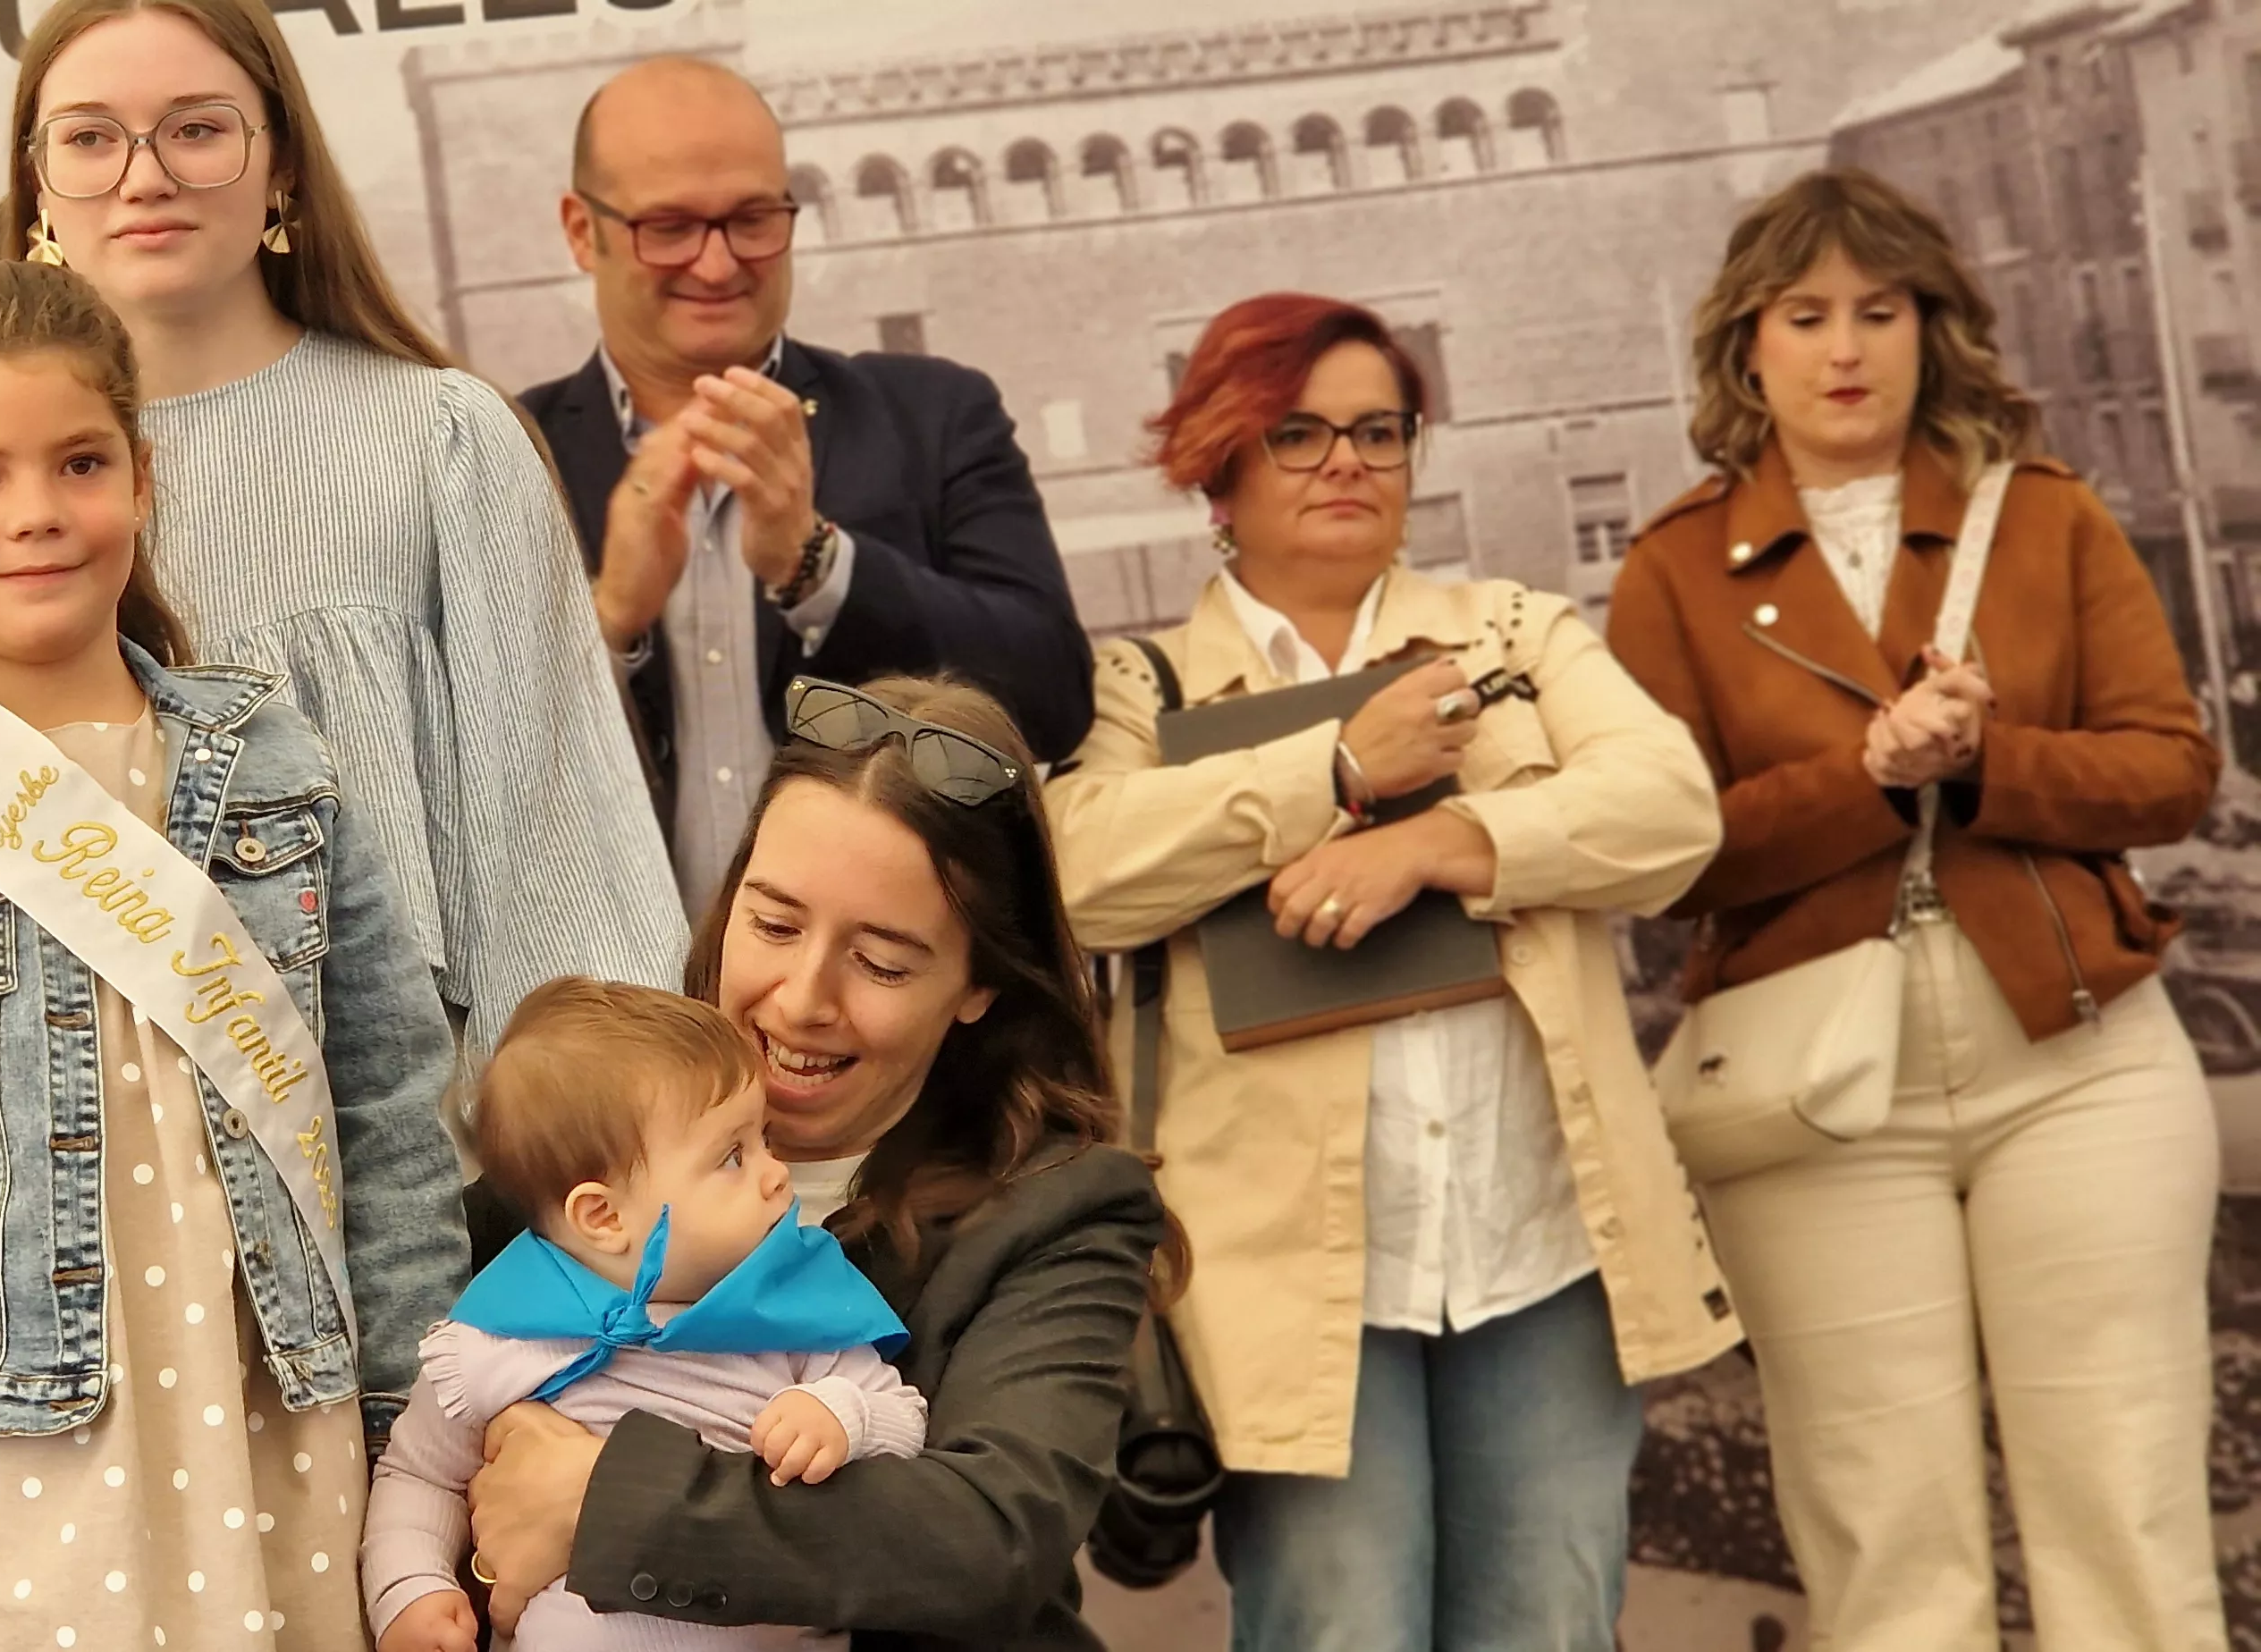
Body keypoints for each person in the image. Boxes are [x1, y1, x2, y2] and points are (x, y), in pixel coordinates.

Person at [0, 673, 1177, 1649]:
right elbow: (282, 1270)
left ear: (978, 992)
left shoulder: (1059, 1210)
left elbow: (986, 1536)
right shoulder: (584, 1152)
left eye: (885, 961)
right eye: (773, 923)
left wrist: (601, 1502)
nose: (801, 997)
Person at [0, 258, 468, 1652]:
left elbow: (392, 1127)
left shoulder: (279, 768)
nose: (37, 515)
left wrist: (421, 1453)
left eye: (79, 462)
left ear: (141, 476)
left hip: (283, 1425)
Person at [0, 0, 684, 1061]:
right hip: (51, 1190)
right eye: (88, 137)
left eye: (197, 128)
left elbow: (557, 854)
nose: (144, 175)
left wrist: (581, 1154)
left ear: (283, 166)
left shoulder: (440, 445)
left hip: (398, 1162)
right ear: (36, 184)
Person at [1047, 293, 1736, 1651]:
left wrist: (1443, 844)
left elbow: (1673, 811)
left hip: (1538, 1246)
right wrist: (1337, 772)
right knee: (1337, 1630)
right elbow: (1084, 873)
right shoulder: (1145, 685)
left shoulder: (1514, 635)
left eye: (1379, 429)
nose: (1347, 461)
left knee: (1550, 1625)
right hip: (1288, 1285)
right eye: (1297, 434)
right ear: (1218, 471)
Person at [1605, 168, 2226, 1651]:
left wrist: (1989, 764)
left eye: (1880, 311)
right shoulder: (1673, 567)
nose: (1844, 346)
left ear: (1933, 330)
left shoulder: (2053, 519)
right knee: (1889, 1539)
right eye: (1805, 313)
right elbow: (1657, 855)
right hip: (1813, 1099)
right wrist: (1870, 779)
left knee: (2127, 1510)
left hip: (2083, 1065)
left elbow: (2170, 768)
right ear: (1745, 343)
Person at [519, 56, 1089, 913]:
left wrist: (819, 568)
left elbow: (1050, 701)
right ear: (580, 229)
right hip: (617, 1021)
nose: (717, 266)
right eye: (669, 227)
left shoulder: (935, 415)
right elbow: (452, 791)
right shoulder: (498, 454)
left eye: (753, 220)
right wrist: (605, 627)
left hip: (882, 1006)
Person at [360, 976, 926, 1652]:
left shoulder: (797, 1306)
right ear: (602, 1216)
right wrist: (412, 1589)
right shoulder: (499, 1337)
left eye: (764, 1139)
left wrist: (842, 1413)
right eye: (733, 1156)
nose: (776, 1173)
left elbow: (903, 1420)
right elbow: (418, 1475)